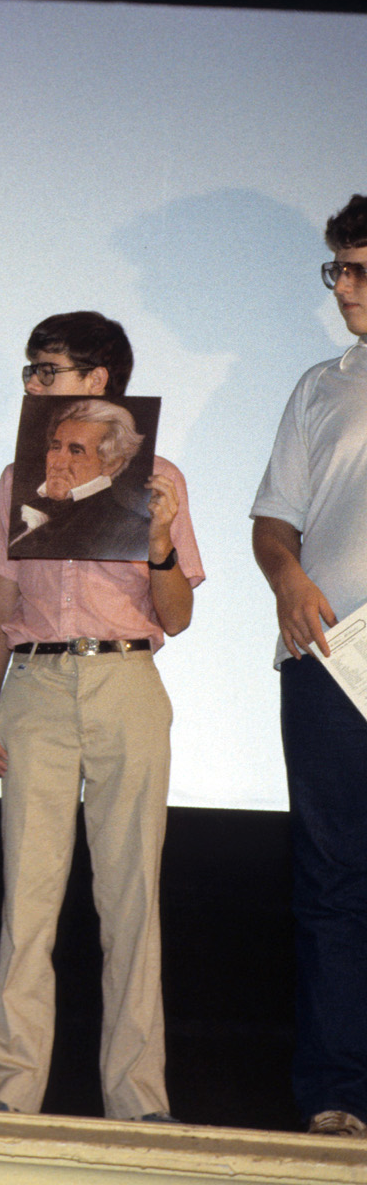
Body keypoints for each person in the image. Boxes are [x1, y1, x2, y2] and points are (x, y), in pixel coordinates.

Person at [0, 310, 201, 1121]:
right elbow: (0, 596)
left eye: (48, 370)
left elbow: (177, 616)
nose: (34, 384)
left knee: (132, 897)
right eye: (32, 371)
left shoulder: (156, 474)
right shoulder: (20, 475)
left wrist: (161, 539)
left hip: (124, 678)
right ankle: (6, 1093)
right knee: (27, 899)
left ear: (97, 380)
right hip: (34, 684)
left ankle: (138, 1102)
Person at [249, 193, 367, 1139]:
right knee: (332, 881)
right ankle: (337, 1093)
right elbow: (273, 518)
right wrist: (287, 576)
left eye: (359, 271)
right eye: (338, 270)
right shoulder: (320, 387)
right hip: (333, 658)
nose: (343, 289)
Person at [8, 398, 151, 558]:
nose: (58, 463)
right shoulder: (20, 512)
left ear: (111, 464)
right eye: (55, 447)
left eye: (76, 451)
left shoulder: (132, 532)